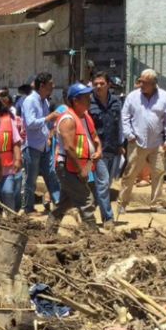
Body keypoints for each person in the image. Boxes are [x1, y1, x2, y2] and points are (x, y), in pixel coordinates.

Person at [46, 84, 102, 233]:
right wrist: (81, 169)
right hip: (68, 167)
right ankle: (92, 234)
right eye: (86, 97)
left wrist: (98, 149)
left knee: (66, 201)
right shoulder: (68, 120)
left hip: (81, 165)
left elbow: (95, 136)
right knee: (86, 200)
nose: (90, 99)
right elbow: (69, 147)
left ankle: (49, 231)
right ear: (75, 100)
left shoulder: (85, 116)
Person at [120, 69, 166, 215]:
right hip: (136, 141)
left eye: (144, 83)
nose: (141, 84)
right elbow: (125, 116)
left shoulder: (164, 97)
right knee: (130, 174)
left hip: (157, 143)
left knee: (158, 173)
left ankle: (155, 204)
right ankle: (122, 203)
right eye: (140, 81)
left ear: (153, 84)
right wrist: (128, 134)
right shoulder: (133, 96)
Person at [21, 72, 62, 216]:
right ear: (42, 85)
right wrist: (48, 118)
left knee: (51, 174)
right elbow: (30, 123)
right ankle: (28, 208)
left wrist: (50, 131)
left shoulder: (44, 101)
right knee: (30, 179)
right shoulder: (30, 101)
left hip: (44, 145)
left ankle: (59, 203)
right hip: (32, 146)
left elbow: (44, 122)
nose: (53, 86)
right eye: (51, 84)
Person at [88, 72, 122, 226]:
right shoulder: (89, 103)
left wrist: (121, 144)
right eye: (96, 84)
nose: (98, 86)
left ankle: (86, 212)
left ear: (108, 84)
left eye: (102, 83)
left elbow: (120, 124)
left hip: (112, 147)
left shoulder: (116, 101)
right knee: (103, 183)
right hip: (97, 149)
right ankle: (108, 218)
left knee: (105, 184)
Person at [0, 97, 24, 213]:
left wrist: (17, 159)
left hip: (7, 167)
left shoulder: (8, 121)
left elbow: (16, 142)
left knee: (8, 192)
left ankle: (12, 219)